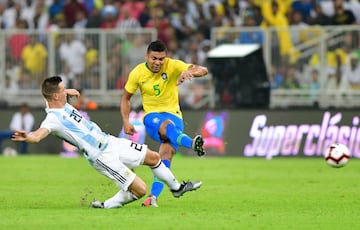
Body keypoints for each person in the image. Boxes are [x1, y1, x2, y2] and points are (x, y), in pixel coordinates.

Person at [11, 76, 201, 209]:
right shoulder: (52, 118)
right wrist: (28, 137)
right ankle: (107, 205)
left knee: (153, 157)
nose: (66, 92)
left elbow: (53, 95)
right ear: (56, 96)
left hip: (110, 141)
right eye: (63, 90)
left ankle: (177, 188)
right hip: (101, 156)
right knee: (140, 190)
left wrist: (67, 90)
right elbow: (38, 135)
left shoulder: (60, 102)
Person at [120, 40, 209, 207]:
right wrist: (125, 120)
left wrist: (190, 73)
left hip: (175, 117)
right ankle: (192, 144)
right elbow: (126, 98)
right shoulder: (137, 73)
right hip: (152, 117)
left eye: (161, 59)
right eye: (154, 58)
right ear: (146, 56)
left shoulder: (173, 65)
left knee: (164, 157)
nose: (158, 62)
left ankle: (152, 198)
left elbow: (202, 70)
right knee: (166, 125)